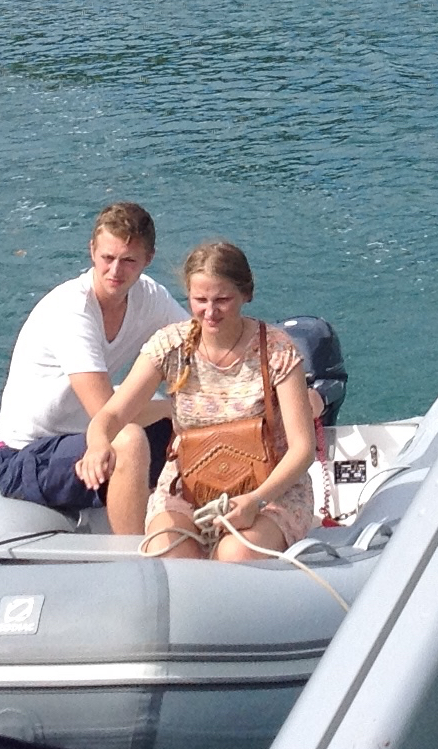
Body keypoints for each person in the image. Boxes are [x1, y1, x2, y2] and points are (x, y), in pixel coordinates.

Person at [76, 239, 315, 563]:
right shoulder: (170, 346)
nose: (210, 312)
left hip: (270, 491)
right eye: (200, 300)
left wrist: (256, 501)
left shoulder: (277, 351)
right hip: (187, 486)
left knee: (235, 554)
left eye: (222, 300)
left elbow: (302, 449)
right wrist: (98, 443)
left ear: (245, 294)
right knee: (168, 551)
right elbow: (112, 415)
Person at [0, 202, 186, 534]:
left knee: (200, 426)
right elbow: (106, 415)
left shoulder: (149, 297)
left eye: (128, 261)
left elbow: (200, 344)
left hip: (85, 437)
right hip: (28, 455)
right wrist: (175, 408)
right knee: (129, 440)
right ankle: (134, 555)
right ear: (92, 250)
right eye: (107, 258)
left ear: (147, 260)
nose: (115, 271)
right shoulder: (72, 310)